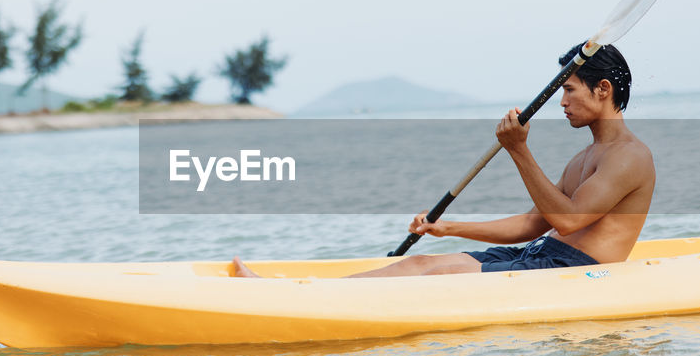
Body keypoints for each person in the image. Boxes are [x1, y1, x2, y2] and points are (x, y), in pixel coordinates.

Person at [230, 43, 655, 278]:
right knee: (419, 262)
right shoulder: (586, 156)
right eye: (560, 91)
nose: (561, 102)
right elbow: (532, 224)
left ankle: (294, 298)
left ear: (603, 89)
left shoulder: (628, 157)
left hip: (574, 272)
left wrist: (519, 151)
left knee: (431, 273)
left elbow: (569, 221)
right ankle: (299, 294)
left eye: (570, 90)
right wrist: (447, 228)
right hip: (541, 254)